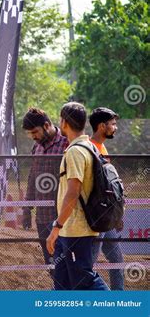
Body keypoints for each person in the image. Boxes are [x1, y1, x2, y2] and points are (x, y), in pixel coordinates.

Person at [46, 102, 109, 290]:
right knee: (62, 284)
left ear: (64, 122)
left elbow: (72, 193)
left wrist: (56, 226)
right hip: (70, 229)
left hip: (75, 230)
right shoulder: (89, 147)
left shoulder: (75, 151)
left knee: (85, 281)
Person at [21, 108, 68, 276]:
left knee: (67, 266)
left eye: (35, 132)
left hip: (64, 219)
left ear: (47, 125)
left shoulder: (66, 144)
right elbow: (32, 177)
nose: (33, 136)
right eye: (30, 133)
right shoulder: (37, 148)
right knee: (51, 266)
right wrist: (27, 208)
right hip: (42, 218)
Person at [89, 107, 124, 290]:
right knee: (89, 264)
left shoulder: (102, 146)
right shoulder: (90, 148)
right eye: (112, 124)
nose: (115, 127)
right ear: (102, 126)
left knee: (117, 259)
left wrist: (116, 215)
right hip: (96, 215)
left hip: (107, 214)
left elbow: (109, 186)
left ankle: (118, 299)